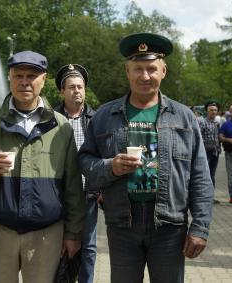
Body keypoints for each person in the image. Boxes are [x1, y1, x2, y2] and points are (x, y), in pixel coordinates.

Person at [79, 33, 213, 283]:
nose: (145, 76)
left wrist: (200, 227)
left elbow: (200, 176)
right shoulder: (105, 116)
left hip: (170, 225)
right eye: (137, 69)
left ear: (164, 70)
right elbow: (84, 161)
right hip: (122, 224)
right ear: (127, 71)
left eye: (151, 69)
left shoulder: (183, 117)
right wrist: (111, 167)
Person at [0, 50, 85, 283]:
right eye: (18, 75)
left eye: (31, 76)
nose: (24, 81)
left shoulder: (61, 126)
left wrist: (74, 233)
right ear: (9, 77)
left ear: (44, 79)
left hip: (47, 233)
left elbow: (73, 186)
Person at [54, 63, 97, 283]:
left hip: (88, 195)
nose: (77, 91)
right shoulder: (49, 120)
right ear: (62, 91)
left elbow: (103, 156)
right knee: (58, 248)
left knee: (88, 249)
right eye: (71, 87)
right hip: (59, 196)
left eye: (80, 86)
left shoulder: (96, 119)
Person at [199, 101, 221, 203]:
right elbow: (199, 138)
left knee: (212, 175)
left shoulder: (217, 123)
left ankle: (211, 197)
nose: (213, 112)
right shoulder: (202, 122)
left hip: (215, 153)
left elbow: (218, 138)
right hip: (205, 153)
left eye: (215, 110)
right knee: (204, 175)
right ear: (207, 111)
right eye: (211, 110)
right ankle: (203, 197)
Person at [219, 104, 232, 203]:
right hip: (229, 152)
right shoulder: (226, 124)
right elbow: (220, 137)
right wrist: (229, 140)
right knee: (231, 174)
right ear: (230, 112)